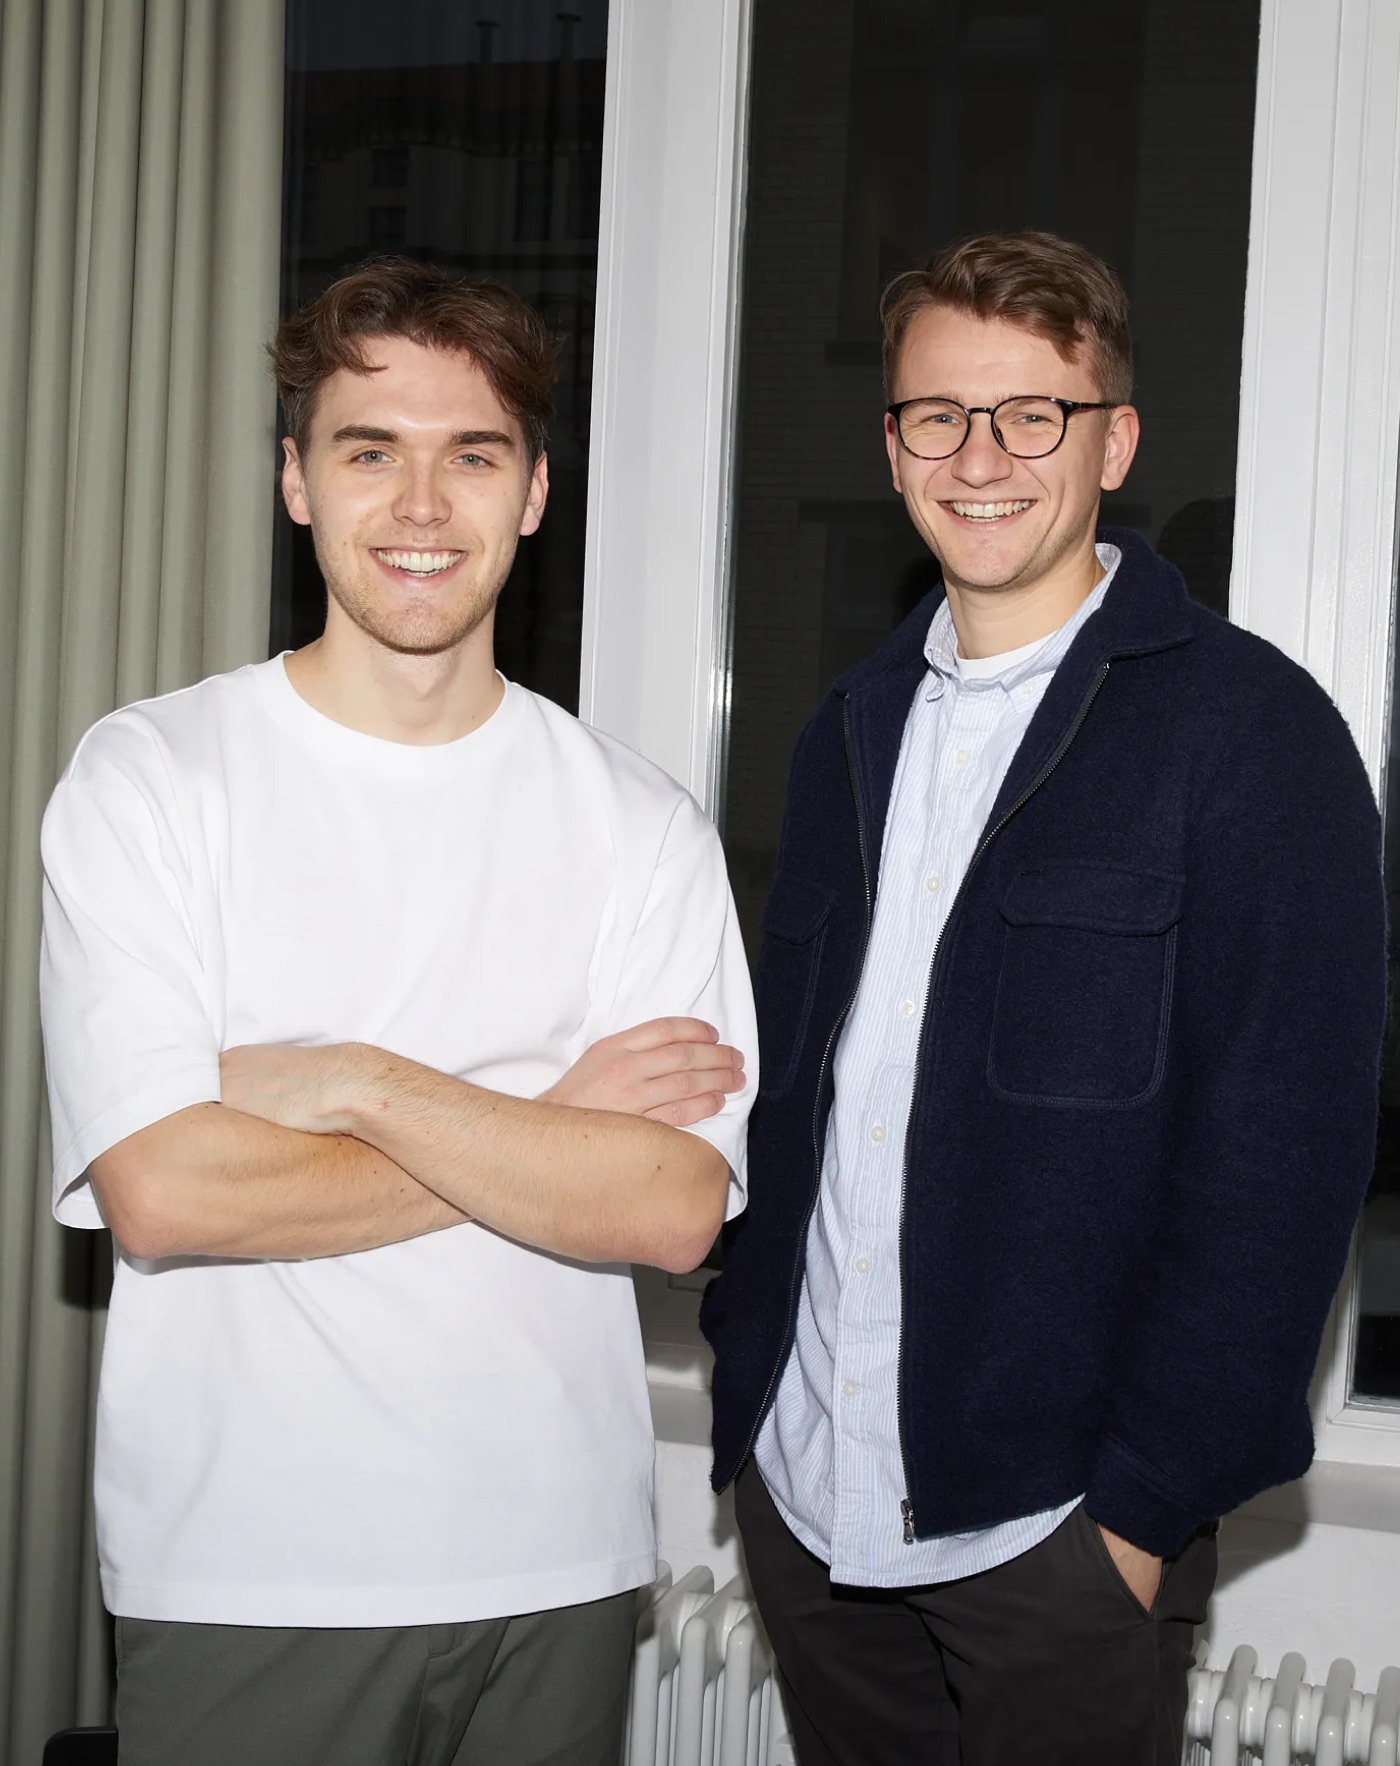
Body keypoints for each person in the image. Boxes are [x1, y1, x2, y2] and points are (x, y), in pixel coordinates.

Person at [39, 258, 756, 1766]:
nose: (422, 506)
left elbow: (673, 1205)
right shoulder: (152, 777)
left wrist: (356, 1080)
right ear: (296, 481)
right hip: (249, 1567)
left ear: (535, 493)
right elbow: (165, 1191)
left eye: (473, 456)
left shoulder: (640, 822)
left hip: (559, 1557)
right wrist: (551, 1128)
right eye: (370, 452)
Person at [699, 231, 1386, 1766]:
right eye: (939, 414)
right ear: (892, 446)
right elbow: (805, 1091)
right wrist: (745, 1361)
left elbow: (1285, 1163)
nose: (981, 456)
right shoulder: (847, 729)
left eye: (1033, 414)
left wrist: (1139, 1514)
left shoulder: (1251, 734)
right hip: (810, 1500)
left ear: (1114, 442)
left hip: (1053, 1536)